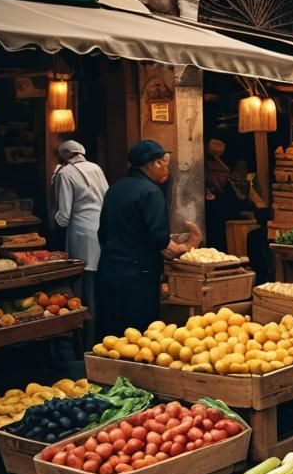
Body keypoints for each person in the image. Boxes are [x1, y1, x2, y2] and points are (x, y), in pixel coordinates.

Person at [97, 140, 199, 337]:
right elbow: (159, 239)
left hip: (109, 271)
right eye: (164, 163)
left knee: (112, 338)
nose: (166, 168)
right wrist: (186, 245)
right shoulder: (151, 192)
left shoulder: (115, 188)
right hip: (137, 278)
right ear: (154, 164)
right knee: (138, 337)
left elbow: (104, 232)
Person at [51, 140, 108, 310]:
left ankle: (88, 329)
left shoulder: (65, 173)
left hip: (81, 232)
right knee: (99, 279)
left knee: (84, 282)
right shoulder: (96, 168)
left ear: (64, 156)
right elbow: (107, 196)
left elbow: (64, 216)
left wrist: (53, 223)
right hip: (102, 228)